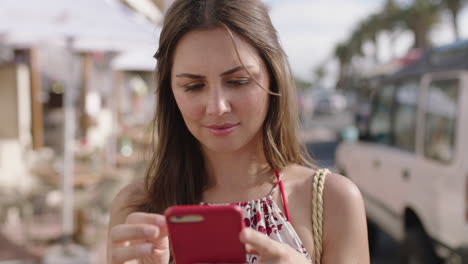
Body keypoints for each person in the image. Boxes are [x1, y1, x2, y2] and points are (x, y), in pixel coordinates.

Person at [107, 0, 369, 263]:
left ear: (273, 77)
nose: (217, 107)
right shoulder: (138, 207)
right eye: (193, 86)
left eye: (238, 81)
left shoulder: (331, 201)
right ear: (170, 92)